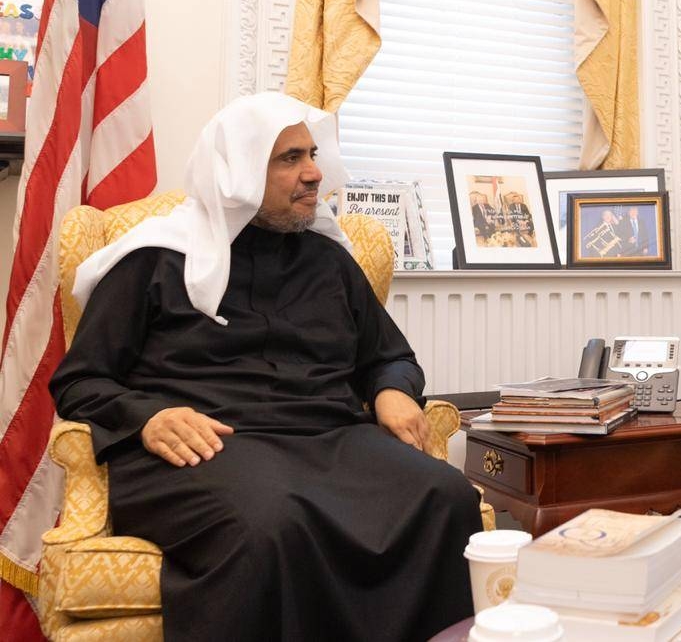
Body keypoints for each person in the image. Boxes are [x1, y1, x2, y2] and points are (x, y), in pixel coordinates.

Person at [49, 92, 482, 641]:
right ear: (237, 173)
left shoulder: (330, 260)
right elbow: (79, 381)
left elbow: (389, 356)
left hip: (328, 438)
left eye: (312, 155)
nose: (313, 174)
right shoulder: (152, 259)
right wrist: (149, 417)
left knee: (447, 497)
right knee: (269, 524)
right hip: (207, 445)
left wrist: (393, 390)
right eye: (290, 159)